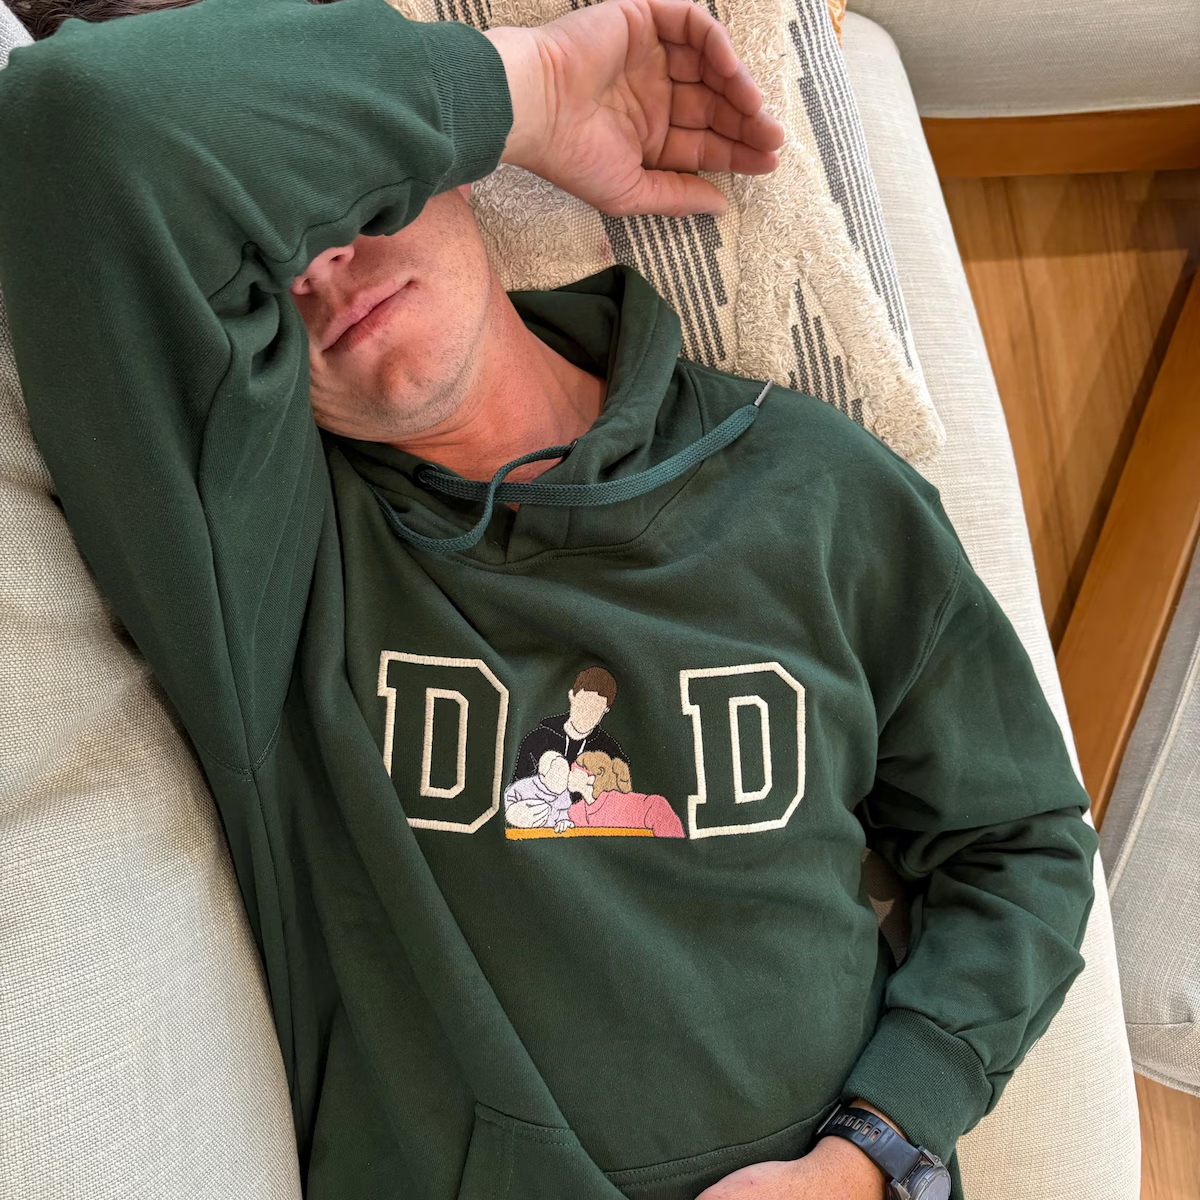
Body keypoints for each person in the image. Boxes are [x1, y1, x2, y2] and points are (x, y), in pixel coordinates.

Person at [0, 1, 1099, 1198]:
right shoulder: (267, 548)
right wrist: (527, 90)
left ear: (452, 176)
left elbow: (1018, 841)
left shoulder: (819, 487)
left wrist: (873, 1151)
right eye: (266, 252)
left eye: (353, 194)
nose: (317, 266)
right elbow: (77, 117)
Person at [511, 666, 626, 782]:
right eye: (583, 703)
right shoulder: (538, 739)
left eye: (595, 709)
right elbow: (518, 786)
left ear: (605, 710)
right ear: (571, 696)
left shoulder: (610, 754)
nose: (586, 714)